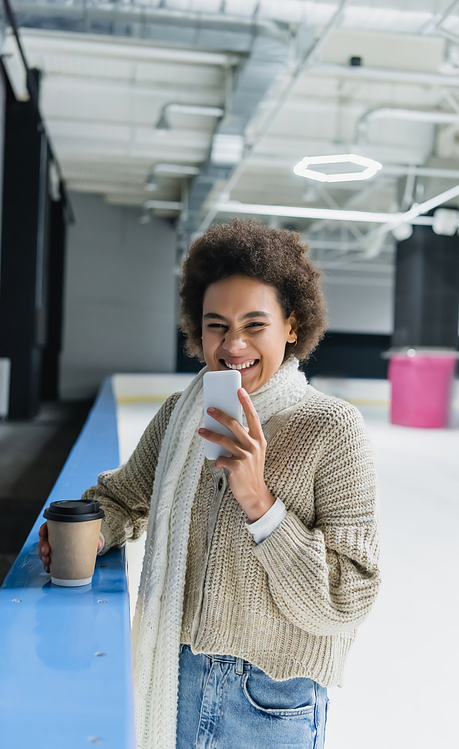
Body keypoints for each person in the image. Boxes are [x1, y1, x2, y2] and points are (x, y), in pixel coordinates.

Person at [39, 218, 381, 749]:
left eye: (255, 324)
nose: (233, 344)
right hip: (173, 673)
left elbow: (347, 596)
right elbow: (123, 498)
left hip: (267, 700)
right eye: (216, 324)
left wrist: (259, 502)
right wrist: (94, 532)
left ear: (291, 326)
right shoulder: (183, 415)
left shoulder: (330, 429)